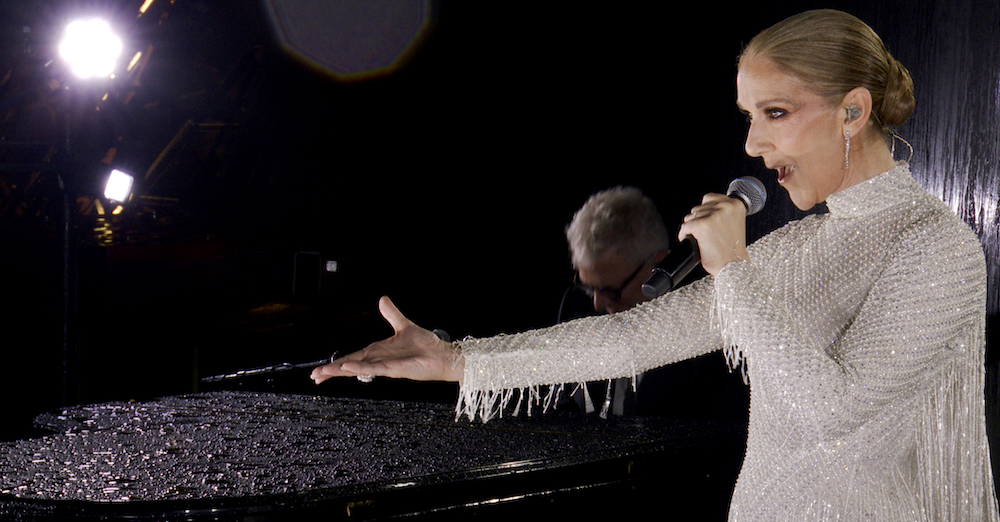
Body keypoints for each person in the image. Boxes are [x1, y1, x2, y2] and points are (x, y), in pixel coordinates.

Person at [312, 9, 999, 521]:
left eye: (776, 112)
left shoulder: (935, 248)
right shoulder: (794, 249)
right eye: (748, 115)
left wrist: (732, 268)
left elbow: (834, 411)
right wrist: (457, 360)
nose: (754, 143)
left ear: (854, 110)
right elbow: (633, 336)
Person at [560, 186, 748, 424]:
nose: (597, 303)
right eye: (589, 288)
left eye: (611, 291)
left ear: (659, 264)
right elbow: (563, 405)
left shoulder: (708, 329)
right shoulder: (576, 306)